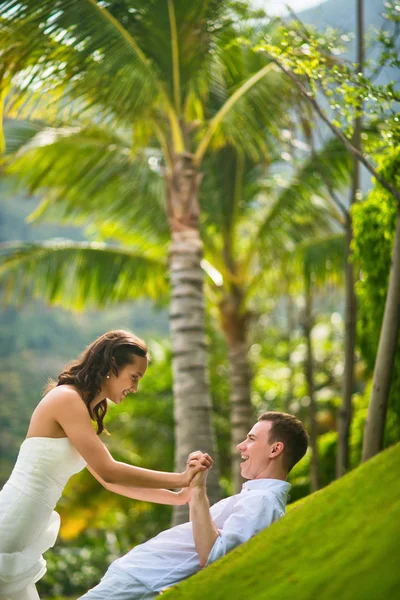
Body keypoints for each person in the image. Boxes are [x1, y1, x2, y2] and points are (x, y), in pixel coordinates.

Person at [0, 330, 211, 600]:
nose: (135, 388)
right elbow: (109, 470)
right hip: (14, 520)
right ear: (112, 366)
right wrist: (181, 478)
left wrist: (179, 497)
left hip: (26, 526)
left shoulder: (83, 408)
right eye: (134, 377)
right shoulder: (66, 399)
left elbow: (109, 482)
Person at [79, 411, 309, 600]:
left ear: (274, 449)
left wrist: (199, 490)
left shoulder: (262, 501)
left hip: (141, 580)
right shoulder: (255, 497)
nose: (241, 446)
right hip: (136, 577)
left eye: (251, 439)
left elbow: (215, 557)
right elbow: (115, 481)